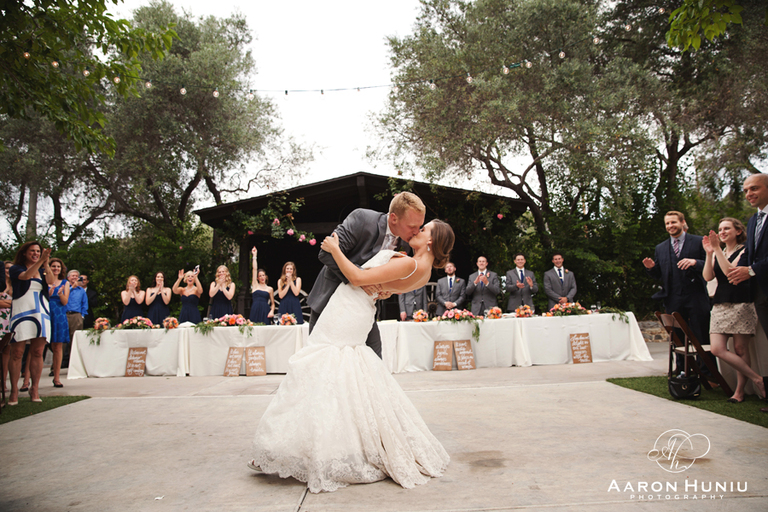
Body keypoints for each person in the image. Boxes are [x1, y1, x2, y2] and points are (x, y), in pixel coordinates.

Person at [249, 219, 455, 493]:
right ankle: (311, 445)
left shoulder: (409, 264)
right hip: (353, 308)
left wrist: (335, 248)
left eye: (424, 228)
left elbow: (357, 278)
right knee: (337, 372)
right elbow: (376, 284)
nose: (417, 230)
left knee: (319, 367)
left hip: (348, 310)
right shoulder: (421, 268)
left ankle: (288, 447)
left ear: (431, 240)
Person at [307, 192, 426, 358]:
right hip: (330, 299)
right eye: (412, 226)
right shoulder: (362, 219)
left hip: (361, 307)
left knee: (374, 356)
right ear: (394, 218)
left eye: (420, 226)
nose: (416, 231)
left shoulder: (406, 240)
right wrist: (361, 279)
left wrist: (385, 290)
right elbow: (326, 253)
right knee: (317, 358)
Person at [702, 220, 766, 402]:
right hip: (720, 304)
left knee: (740, 349)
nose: (722, 232)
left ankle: (739, 392)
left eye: (727, 228)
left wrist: (716, 251)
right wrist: (710, 253)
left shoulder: (745, 250)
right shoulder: (718, 252)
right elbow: (708, 276)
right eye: (720, 229)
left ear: (738, 231)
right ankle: (758, 379)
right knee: (716, 348)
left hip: (742, 302)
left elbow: (730, 272)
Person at [642, 211, 710, 372]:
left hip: (696, 296)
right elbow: (659, 274)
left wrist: (695, 262)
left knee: (701, 334)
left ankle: (707, 371)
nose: (670, 226)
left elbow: (710, 263)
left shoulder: (698, 241)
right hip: (673, 298)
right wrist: (651, 269)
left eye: (673, 222)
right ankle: (681, 368)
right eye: (667, 223)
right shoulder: (661, 248)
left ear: (682, 222)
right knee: (677, 336)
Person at [728, 173, 768, 411]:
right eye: (745, 190)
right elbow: (750, 257)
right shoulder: (753, 221)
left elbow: (753, 264)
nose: (748, 194)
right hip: (760, 295)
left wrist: (751, 270)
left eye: (754, 188)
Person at [8, 241, 54, 404]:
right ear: (24, 253)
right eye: (32, 251)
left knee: (38, 351)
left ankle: (34, 389)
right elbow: (26, 276)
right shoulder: (16, 268)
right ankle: (14, 391)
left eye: (38, 251)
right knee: (17, 353)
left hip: (41, 311)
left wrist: (46, 264)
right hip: (22, 312)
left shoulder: (42, 269)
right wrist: (41, 261)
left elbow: (50, 280)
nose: (35, 253)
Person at [47, 258, 70, 388]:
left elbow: (65, 301)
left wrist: (60, 294)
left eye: (58, 267)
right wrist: (49, 293)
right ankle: (27, 380)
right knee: (37, 346)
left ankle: (56, 378)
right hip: (45, 312)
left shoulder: (65, 283)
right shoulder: (45, 281)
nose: (56, 268)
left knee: (57, 347)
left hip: (59, 314)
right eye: (53, 266)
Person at [63, 269, 88, 369]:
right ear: (68, 277)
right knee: (61, 342)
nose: (75, 278)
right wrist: (72, 287)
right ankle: (55, 367)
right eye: (72, 276)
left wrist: (82, 316)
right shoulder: (64, 287)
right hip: (64, 315)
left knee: (74, 342)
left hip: (76, 316)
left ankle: (73, 367)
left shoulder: (81, 290)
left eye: (76, 276)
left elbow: (84, 304)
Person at [249, 248, 275, 325]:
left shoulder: (270, 289)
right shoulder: (255, 285)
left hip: (265, 310)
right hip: (255, 309)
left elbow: (273, 303)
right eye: (260, 276)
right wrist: (254, 256)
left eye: (263, 275)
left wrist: (272, 311)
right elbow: (254, 269)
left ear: (266, 277)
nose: (262, 277)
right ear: (257, 278)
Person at [1, 261, 13, 403]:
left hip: (10, 320)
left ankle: (3, 382)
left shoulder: (16, 284)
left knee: (7, 352)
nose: (8, 270)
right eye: (6, 268)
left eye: (11, 268)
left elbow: (17, 302)